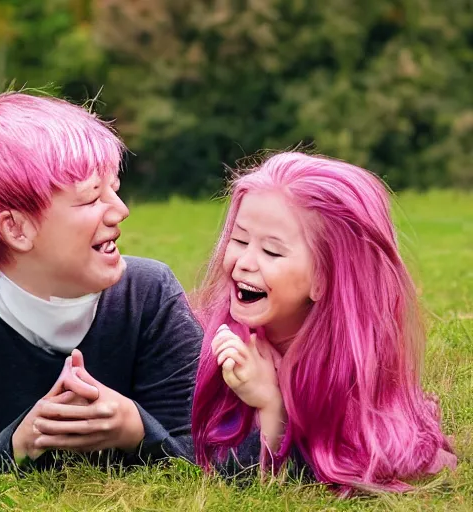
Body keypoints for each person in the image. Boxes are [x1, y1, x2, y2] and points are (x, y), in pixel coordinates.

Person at [0, 92, 202, 480]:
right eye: (92, 198)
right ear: (17, 229)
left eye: (115, 188)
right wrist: (19, 443)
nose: (121, 210)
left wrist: (135, 429)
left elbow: (204, 445)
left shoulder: (149, 294)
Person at [191, 152, 457, 493]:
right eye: (239, 240)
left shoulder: (351, 367)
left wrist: (270, 405)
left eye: (271, 252)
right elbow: (215, 463)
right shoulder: (212, 342)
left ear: (325, 277)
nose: (244, 262)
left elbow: (334, 466)